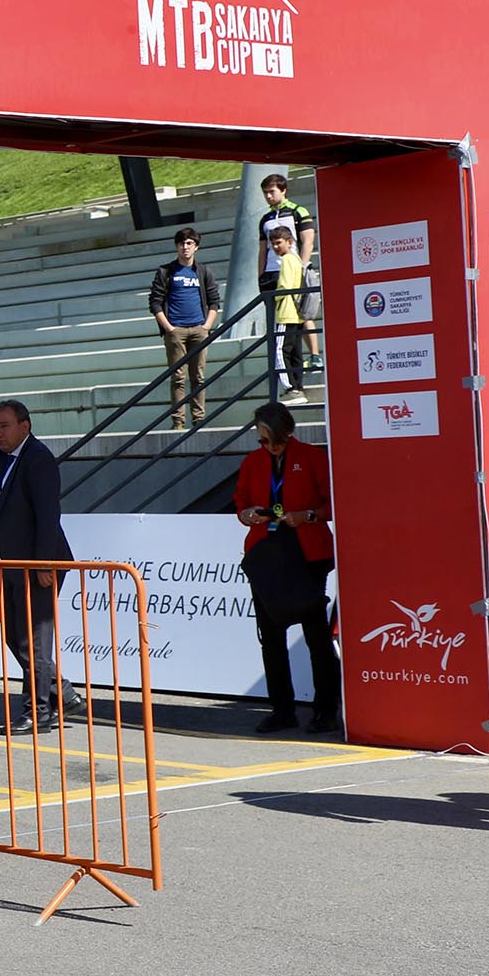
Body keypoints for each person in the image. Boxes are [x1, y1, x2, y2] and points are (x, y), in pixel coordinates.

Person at [234, 402, 339, 735]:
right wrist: (248, 513)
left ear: (287, 434)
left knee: (316, 636)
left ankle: (325, 709)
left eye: (274, 441)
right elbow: (240, 502)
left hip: (306, 551)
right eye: (263, 441)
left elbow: (333, 502)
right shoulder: (252, 462)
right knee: (271, 637)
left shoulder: (311, 457)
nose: (269, 447)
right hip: (267, 554)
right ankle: (282, 709)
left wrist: (306, 515)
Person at [0, 400, 78, 734]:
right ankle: (59, 691)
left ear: (25, 426)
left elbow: (48, 515)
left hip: (37, 561)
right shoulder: (1, 460)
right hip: (11, 561)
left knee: (34, 640)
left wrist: (44, 562)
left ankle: (37, 710)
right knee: (14, 636)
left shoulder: (38, 459)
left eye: (4, 426)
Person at [148, 226, 222, 430]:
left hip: (199, 329)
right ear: (176, 246)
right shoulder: (166, 271)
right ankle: (178, 421)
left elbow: (215, 301)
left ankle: (199, 418)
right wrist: (169, 328)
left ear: (196, 247)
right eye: (181, 243)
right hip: (176, 331)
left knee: (198, 377)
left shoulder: (203, 271)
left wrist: (206, 326)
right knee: (178, 377)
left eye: (189, 243)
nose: (185, 247)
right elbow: (155, 302)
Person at [257, 174, 321, 372]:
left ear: (283, 190)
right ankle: (292, 364)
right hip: (272, 273)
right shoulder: (265, 218)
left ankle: (315, 355)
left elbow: (308, 241)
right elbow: (263, 249)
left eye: (272, 191)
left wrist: (301, 267)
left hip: (294, 270)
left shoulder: (298, 211)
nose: (268, 196)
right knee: (283, 320)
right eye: (265, 192)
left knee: (303, 314)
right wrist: (260, 276)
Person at [268, 227, 309, 405]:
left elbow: (284, 287)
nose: (276, 247)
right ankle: (298, 387)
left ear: (289, 242)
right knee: (295, 353)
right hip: (297, 314)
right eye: (273, 244)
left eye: (279, 242)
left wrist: (273, 299)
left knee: (280, 351)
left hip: (286, 313)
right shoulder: (297, 260)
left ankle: (291, 389)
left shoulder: (286, 260)